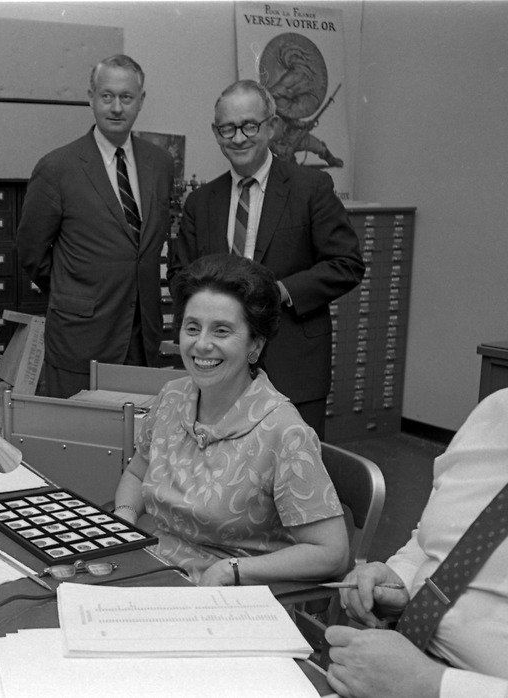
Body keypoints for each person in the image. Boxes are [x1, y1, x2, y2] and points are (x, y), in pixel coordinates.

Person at [113, 254, 348, 585]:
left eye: (221, 331)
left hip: (230, 598)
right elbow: (138, 473)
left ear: (255, 344)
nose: (202, 344)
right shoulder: (171, 398)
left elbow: (331, 552)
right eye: (192, 328)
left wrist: (233, 570)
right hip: (156, 570)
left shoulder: (283, 432)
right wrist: (123, 519)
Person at [169, 79, 364, 438]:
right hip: (218, 371)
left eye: (250, 126)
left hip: (294, 365)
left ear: (271, 127)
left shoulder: (311, 189)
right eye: (227, 128)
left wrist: (282, 290)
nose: (238, 137)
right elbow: (180, 274)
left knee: (294, 474)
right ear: (216, 133)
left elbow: (347, 263)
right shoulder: (201, 202)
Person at [325, 388, 508, 698]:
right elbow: (435, 536)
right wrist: (401, 576)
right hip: (402, 662)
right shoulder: (495, 412)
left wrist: (430, 684)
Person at [16, 54, 174, 399]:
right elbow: (31, 252)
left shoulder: (160, 163)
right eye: (107, 96)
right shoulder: (57, 168)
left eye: (126, 97)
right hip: (80, 337)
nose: (116, 107)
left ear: (141, 101)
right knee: (79, 440)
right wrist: (73, 289)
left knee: (138, 440)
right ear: (90, 97)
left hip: (141, 336)